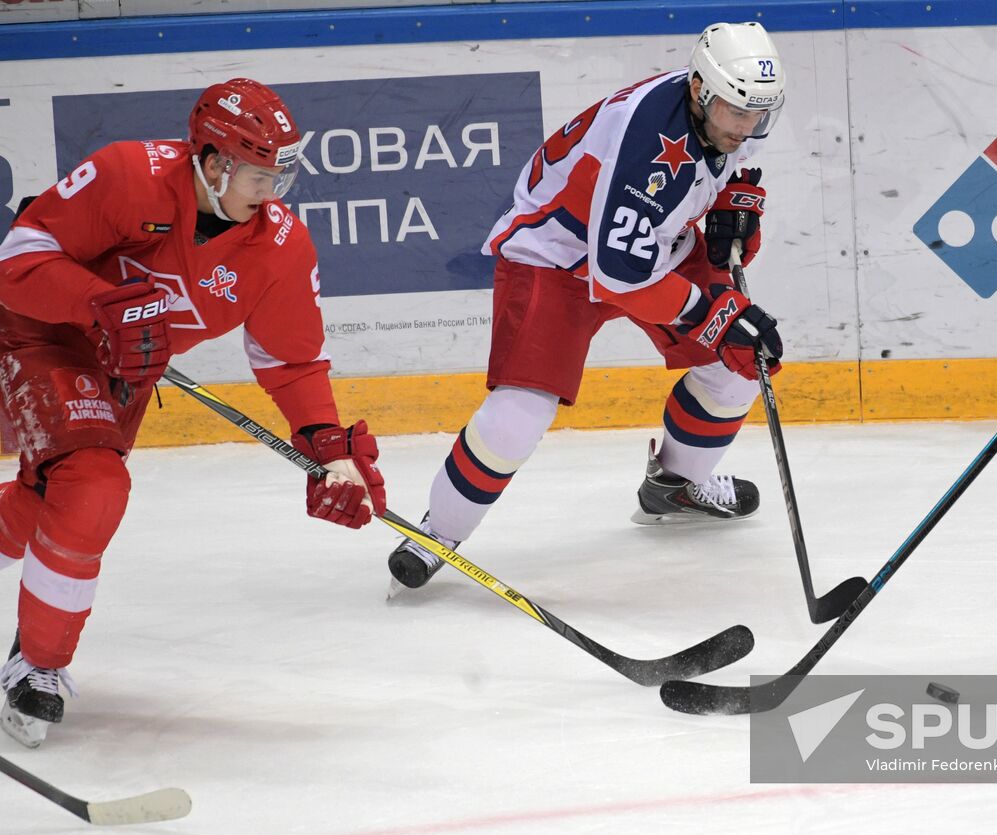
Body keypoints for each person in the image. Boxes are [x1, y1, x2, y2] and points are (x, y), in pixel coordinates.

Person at [0, 78, 388, 747]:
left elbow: (291, 362)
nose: (276, 194)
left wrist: (330, 449)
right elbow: (18, 258)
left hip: (122, 366)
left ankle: (34, 659)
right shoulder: (130, 176)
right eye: (263, 176)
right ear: (213, 163)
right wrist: (101, 300)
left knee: (53, 497)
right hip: (41, 328)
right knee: (91, 486)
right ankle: (37, 665)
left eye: (284, 175)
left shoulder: (280, 248)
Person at [387, 22, 786, 591]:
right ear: (699, 90)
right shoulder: (647, 139)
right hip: (556, 259)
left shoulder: (724, 103)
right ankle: (437, 532)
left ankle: (674, 486)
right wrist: (717, 316)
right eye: (736, 115)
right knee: (519, 415)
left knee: (740, 365)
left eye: (757, 117)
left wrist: (736, 208)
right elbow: (620, 273)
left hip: (649, 245)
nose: (746, 129)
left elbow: (724, 172)